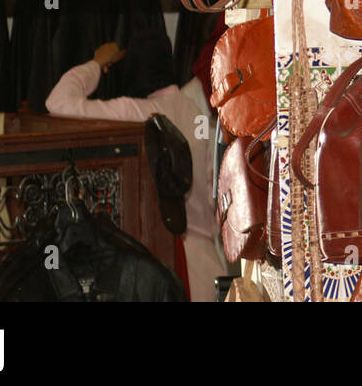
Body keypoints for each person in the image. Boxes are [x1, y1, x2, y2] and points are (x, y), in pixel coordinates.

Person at [45, 30, 227, 302]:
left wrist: (96, 63)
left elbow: (57, 102)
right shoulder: (196, 114)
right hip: (209, 269)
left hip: (161, 272)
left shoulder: (131, 113)